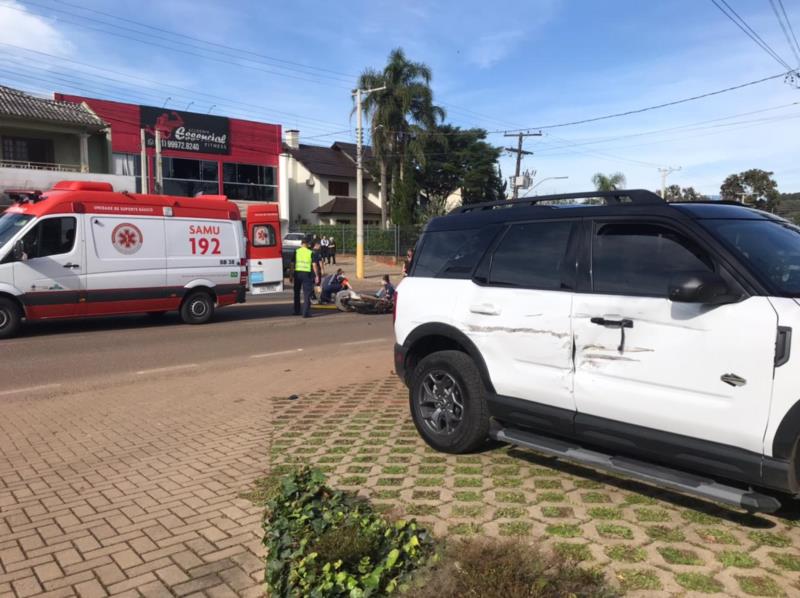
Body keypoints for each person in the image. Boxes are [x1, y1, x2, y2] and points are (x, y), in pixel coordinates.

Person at [292, 237, 318, 318]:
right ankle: (305, 313)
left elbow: (292, 264)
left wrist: (290, 275)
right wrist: (316, 275)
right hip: (307, 274)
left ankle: (297, 311)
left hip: (297, 274)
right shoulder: (310, 252)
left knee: (296, 293)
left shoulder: (296, 251)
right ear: (307, 244)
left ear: (301, 244)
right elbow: (314, 265)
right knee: (307, 294)